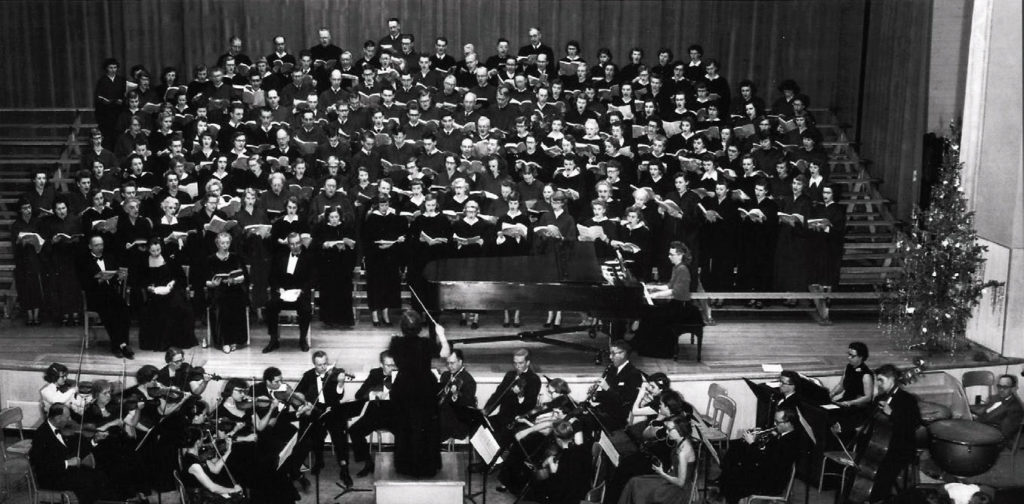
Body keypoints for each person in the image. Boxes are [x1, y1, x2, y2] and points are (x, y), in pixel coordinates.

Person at [386, 310, 452, 478]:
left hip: (404, 386)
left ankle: (405, 465)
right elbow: (445, 353)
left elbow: (396, 357)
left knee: (405, 425)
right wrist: (441, 335)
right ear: (419, 328)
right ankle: (425, 466)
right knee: (425, 426)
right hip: (424, 386)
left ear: (402, 327)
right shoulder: (425, 343)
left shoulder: (395, 343)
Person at [29, 403, 111, 504]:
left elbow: (77, 452)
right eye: (67, 417)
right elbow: (42, 465)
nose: (69, 420)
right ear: (58, 418)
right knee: (87, 483)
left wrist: (94, 440)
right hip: (51, 477)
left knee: (98, 475)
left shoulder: (63, 429)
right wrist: (67, 463)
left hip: (65, 471)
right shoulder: (41, 435)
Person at [716, 408, 801, 504]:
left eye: (777, 422)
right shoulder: (783, 434)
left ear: (788, 423)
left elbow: (766, 462)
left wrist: (753, 443)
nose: (774, 424)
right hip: (766, 473)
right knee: (736, 453)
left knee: (733, 478)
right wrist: (761, 441)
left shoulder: (790, 442)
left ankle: (726, 493)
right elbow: (768, 455)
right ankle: (723, 486)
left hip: (772, 482)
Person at [635, 241, 704, 358]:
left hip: (682, 308)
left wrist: (656, 295)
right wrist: (654, 287)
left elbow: (676, 291)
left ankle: (656, 350)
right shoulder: (677, 268)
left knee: (652, 315)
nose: (669, 256)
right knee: (651, 313)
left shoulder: (682, 269)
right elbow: (669, 285)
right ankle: (643, 345)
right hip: (677, 304)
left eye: (671, 254)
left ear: (680, 255)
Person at [864, 364, 922, 503]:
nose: (878, 384)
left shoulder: (908, 399)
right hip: (882, 443)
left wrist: (892, 414)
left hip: (902, 446)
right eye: (877, 380)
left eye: (881, 380)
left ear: (892, 380)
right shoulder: (881, 397)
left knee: (884, 469)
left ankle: (877, 499)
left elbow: (914, 423)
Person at [76, 235, 135, 358]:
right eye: (96, 245)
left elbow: (114, 277)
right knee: (110, 313)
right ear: (90, 247)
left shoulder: (109, 257)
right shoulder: (84, 261)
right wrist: (98, 280)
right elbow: (83, 283)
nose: (100, 247)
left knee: (124, 310)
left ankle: (123, 344)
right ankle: (117, 346)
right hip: (95, 296)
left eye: (101, 244)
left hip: (111, 294)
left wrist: (119, 278)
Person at [134, 237, 197, 351]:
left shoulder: (168, 259)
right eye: (153, 251)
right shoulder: (144, 262)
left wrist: (171, 284)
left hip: (171, 289)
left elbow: (179, 276)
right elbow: (140, 280)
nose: (156, 253)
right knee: (153, 309)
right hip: (154, 292)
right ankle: (159, 342)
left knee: (179, 306)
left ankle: (178, 340)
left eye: (158, 250)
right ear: (148, 250)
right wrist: (149, 288)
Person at [617, 414, 697, 504]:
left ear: (680, 430)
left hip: (677, 490)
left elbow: (680, 483)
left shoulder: (683, 452)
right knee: (634, 482)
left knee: (639, 489)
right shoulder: (680, 441)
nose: (667, 432)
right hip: (671, 478)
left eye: (669, 430)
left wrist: (662, 473)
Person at [348, 351, 399, 477]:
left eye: (394, 365)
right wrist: (374, 394)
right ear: (381, 364)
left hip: (394, 415)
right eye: (388, 365)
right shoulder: (375, 374)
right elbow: (359, 394)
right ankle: (368, 463)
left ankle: (399, 464)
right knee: (354, 431)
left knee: (405, 432)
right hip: (375, 414)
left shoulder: (401, 374)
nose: (391, 368)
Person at [263, 232, 313, 353]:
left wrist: (301, 290)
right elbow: (272, 277)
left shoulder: (308, 257)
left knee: (306, 309)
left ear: (301, 243)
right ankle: (273, 339)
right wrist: (278, 288)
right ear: (288, 245)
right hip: (283, 293)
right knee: (270, 306)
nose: (295, 246)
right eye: (292, 244)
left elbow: (313, 278)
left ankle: (302, 339)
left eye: (297, 243)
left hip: (299, 293)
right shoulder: (280, 256)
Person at [362, 195, 408, 326]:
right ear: (377, 206)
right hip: (375, 258)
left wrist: (396, 241)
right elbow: (367, 240)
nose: (384, 208)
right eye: (382, 205)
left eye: (386, 205)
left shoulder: (393, 218)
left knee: (387, 286)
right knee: (375, 286)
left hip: (389, 257)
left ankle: (386, 314)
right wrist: (378, 246)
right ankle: (375, 315)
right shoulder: (371, 218)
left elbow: (398, 235)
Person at [484, 348, 542, 446]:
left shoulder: (534, 379)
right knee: (482, 427)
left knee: (498, 439)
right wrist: (486, 410)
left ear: (528, 363)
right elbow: (498, 394)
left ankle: (497, 459)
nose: (517, 366)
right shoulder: (510, 375)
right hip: (502, 417)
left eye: (521, 363)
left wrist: (520, 396)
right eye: (515, 363)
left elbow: (530, 404)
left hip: (516, 421)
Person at [205, 232, 249, 353]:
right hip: (217, 290)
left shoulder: (235, 257)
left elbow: (243, 276)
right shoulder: (211, 259)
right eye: (222, 243)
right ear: (217, 244)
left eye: (227, 243)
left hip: (233, 288)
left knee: (236, 302)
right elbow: (206, 281)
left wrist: (234, 280)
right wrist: (213, 284)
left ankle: (235, 339)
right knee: (221, 304)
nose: (225, 245)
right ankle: (225, 341)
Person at [178, 426, 245, 503]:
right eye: (202, 438)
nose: (204, 440)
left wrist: (228, 451)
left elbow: (215, 469)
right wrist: (233, 490)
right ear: (197, 442)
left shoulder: (195, 457)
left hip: (206, 494)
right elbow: (212, 487)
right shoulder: (194, 465)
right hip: (201, 500)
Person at [589, 340, 644, 430]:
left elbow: (625, 401)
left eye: (613, 354)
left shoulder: (634, 374)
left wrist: (607, 388)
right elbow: (607, 396)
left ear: (623, 354)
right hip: (604, 411)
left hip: (617, 416)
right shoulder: (611, 369)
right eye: (610, 353)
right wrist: (595, 395)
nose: (610, 357)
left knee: (584, 421)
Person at [831, 341, 875, 435]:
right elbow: (841, 385)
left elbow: (867, 397)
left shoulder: (866, 375)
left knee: (838, 420)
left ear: (861, 357)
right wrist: (831, 394)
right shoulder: (848, 367)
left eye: (852, 356)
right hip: (846, 402)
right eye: (848, 354)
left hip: (858, 408)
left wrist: (850, 403)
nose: (849, 358)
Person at [12, 198, 44, 325]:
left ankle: (36, 315)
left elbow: (42, 240)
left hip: (35, 258)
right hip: (22, 260)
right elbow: (15, 243)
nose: (28, 210)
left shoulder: (37, 222)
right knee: (25, 289)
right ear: (20, 210)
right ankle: (29, 315)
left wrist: (35, 241)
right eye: (25, 208)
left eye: (29, 207)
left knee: (36, 287)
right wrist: (22, 242)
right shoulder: (16, 225)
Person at [970, 374, 1023, 447]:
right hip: (981, 426)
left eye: (1005, 387)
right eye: (999, 386)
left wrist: (978, 429)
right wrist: (970, 411)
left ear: (1013, 388)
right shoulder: (995, 398)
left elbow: (1004, 432)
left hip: (992, 439)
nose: (1001, 390)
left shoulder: (1015, 408)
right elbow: (987, 412)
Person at [438, 349, 479, 442]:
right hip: (444, 417)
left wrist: (456, 395)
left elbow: (466, 407)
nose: (449, 366)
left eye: (452, 363)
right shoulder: (445, 375)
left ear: (460, 362)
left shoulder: (469, 381)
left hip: (457, 422)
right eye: (447, 363)